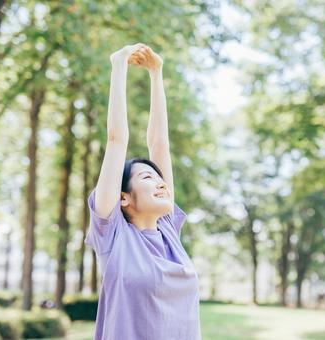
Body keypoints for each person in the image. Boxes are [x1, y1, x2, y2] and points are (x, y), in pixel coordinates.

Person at [84, 43, 201, 340]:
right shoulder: (113, 236)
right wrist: (118, 65)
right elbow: (115, 140)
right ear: (123, 198)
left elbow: (160, 144)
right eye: (149, 177)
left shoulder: (169, 231)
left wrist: (156, 73)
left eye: (160, 179)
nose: (162, 183)